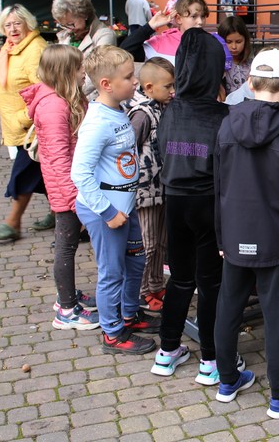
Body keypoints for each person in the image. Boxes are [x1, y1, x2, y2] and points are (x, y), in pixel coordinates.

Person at [211, 49, 279, 416]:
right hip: (275, 237)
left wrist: (222, 237)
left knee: (228, 307)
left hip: (235, 233)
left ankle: (227, 379)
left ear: (251, 82)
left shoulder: (227, 124)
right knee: (276, 317)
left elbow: (218, 187)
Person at [153, 28, 231, 384]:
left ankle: (167, 350)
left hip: (175, 202)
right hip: (208, 203)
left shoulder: (169, 111)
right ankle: (211, 360)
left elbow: (161, 151)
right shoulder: (223, 115)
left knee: (181, 279)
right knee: (211, 282)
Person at [72, 45, 159, 355]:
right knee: (112, 272)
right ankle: (112, 332)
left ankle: (129, 314)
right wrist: (107, 212)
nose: (135, 81)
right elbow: (80, 173)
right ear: (106, 84)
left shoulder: (119, 109)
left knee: (136, 262)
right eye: (128, 77)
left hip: (125, 207)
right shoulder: (97, 123)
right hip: (107, 213)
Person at [20, 44, 98, 329]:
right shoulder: (54, 106)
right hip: (67, 190)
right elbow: (58, 157)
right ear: (65, 71)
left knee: (68, 244)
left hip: (69, 186)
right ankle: (66, 309)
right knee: (66, 246)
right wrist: (75, 197)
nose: (83, 73)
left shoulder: (64, 99)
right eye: (79, 68)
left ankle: (68, 295)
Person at [0, 4, 52, 243]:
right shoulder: (11, 48)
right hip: (19, 124)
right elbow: (17, 80)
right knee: (45, 174)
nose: (12, 29)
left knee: (22, 174)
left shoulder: (35, 50)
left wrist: (23, 118)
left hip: (32, 126)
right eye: (8, 25)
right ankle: (59, 212)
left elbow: (44, 90)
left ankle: (13, 223)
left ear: (28, 23)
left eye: (17, 23)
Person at [127, 58, 176, 313]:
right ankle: (141, 291)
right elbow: (127, 151)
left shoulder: (165, 108)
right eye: (168, 86)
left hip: (163, 188)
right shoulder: (142, 114)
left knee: (160, 243)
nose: (172, 91)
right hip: (145, 192)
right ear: (149, 87)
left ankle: (156, 284)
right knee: (147, 244)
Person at [52, 0, 117, 54]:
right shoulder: (65, 36)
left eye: (71, 24)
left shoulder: (105, 35)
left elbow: (101, 60)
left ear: (84, 15)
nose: (69, 31)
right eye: (63, 25)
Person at [219, 16, 253, 95]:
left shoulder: (252, 64)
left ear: (245, 40)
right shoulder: (217, 65)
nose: (234, 47)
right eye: (229, 42)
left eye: (238, 42)